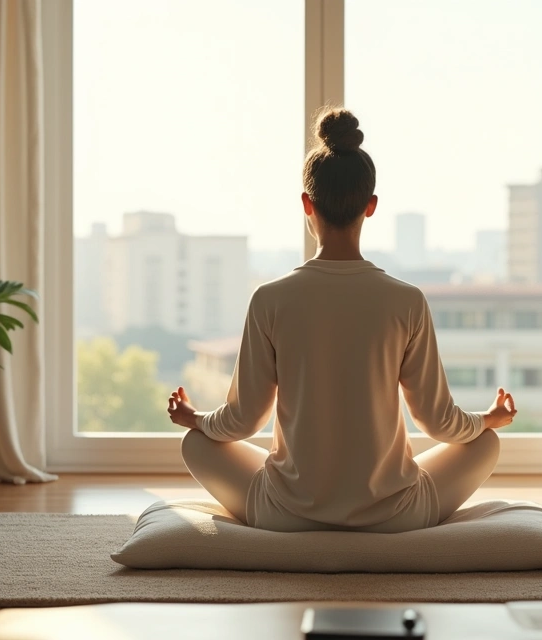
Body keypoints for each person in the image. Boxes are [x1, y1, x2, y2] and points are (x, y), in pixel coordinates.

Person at [166, 108, 517, 533]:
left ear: (306, 204)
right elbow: (438, 422)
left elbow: (243, 421)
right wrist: (487, 419)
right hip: (395, 515)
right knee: (485, 444)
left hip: (285, 514)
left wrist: (195, 418)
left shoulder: (269, 299)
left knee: (196, 444)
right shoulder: (406, 300)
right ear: (371, 206)